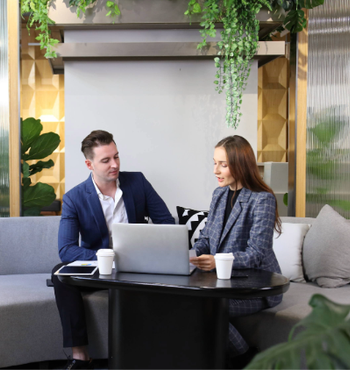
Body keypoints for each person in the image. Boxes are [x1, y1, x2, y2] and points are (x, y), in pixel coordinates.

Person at [52, 130, 175, 369]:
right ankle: (80, 356)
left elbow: (167, 224)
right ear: (89, 164)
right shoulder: (74, 198)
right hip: (102, 268)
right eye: (106, 160)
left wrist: (144, 249)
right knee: (60, 273)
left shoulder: (137, 182)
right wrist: (107, 257)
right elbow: (66, 250)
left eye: (116, 157)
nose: (115, 164)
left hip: (138, 267)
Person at [189, 135, 282, 368]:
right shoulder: (219, 194)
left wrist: (216, 260)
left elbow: (256, 253)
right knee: (183, 300)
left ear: (240, 165)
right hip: (222, 282)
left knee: (205, 306)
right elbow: (207, 238)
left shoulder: (263, 199)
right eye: (214, 163)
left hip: (253, 286)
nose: (215, 170)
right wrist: (190, 254)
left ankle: (245, 358)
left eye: (223, 164)